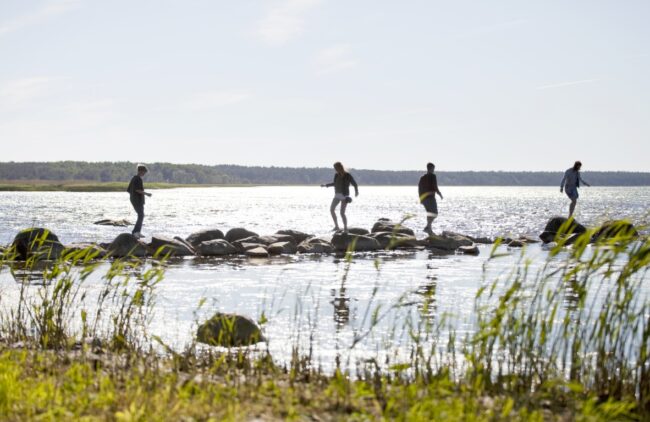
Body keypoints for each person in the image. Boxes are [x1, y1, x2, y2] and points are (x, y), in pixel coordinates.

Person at [321, 162, 359, 232]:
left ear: (340, 167)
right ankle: (336, 226)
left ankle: (345, 228)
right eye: (335, 168)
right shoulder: (336, 175)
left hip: (344, 196)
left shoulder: (347, 175)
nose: (335, 169)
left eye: (336, 168)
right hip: (337, 195)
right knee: (332, 209)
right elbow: (334, 184)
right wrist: (325, 185)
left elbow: (355, 184)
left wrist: (356, 191)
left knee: (342, 213)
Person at [126, 164, 152, 238]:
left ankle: (138, 231)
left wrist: (133, 197)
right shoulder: (137, 179)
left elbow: (128, 190)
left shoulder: (134, 178)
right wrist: (146, 194)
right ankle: (135, 232)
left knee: (141, 215)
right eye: (144, 172)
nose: (144, 174)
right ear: (140, 171)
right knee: (141, 215)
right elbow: (137, 190)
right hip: (136, 201)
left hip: (138, 200)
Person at [418, 162, 443, 235]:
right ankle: (428, 227)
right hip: (430, 198)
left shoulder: (422, 177)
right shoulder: (433, 176)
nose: (433, 170)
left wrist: (421, 198)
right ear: (431, 168)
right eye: (433, 168)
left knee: (429, 213)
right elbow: (435, 186)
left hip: (424, 199)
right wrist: (440, 194)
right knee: (435, 213)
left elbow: (419, 188)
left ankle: (428, 229)